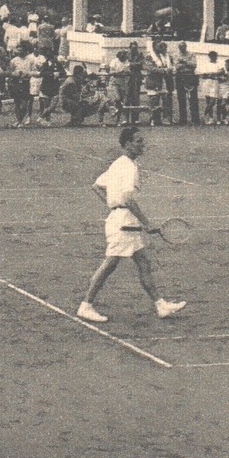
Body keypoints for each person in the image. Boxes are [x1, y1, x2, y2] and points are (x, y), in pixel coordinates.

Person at [76, 126, 187, 324]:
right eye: (138, 141)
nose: (143, 145)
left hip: (123, 219)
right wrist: (145, 221)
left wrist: (113, 205)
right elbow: (127, 198)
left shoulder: (119, 164)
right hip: (123, 223)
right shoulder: (128, 167)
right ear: (127, 144)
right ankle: (86, 305)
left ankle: (160, 305)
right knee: (110, 264)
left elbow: (97, 186)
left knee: (143, 261)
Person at [173, 41, 198, 125]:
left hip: (190, 76)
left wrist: (183, 61)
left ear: (186, 46)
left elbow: (194, 64)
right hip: (180, 76)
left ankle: (195, 119)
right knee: (181, 99)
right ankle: (183, 119)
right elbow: (177, 66)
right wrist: (187, 63)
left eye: (183, 46)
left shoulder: (192, 54)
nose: (182, 48)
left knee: (193, 99)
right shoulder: (176, 55)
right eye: (180, 47)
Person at [198, 50, 225, 125]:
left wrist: (213, 73)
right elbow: (203, 74)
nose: (213, 58)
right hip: (207, 82)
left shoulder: (219, 64)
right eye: (212, 56)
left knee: (212, 101)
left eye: (215, 56)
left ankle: (203, 115)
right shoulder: (206, 64)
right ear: (209, 56)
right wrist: (208, 74)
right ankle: (211, 118)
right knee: (208, 100)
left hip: (215, 82)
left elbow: (222, 71)